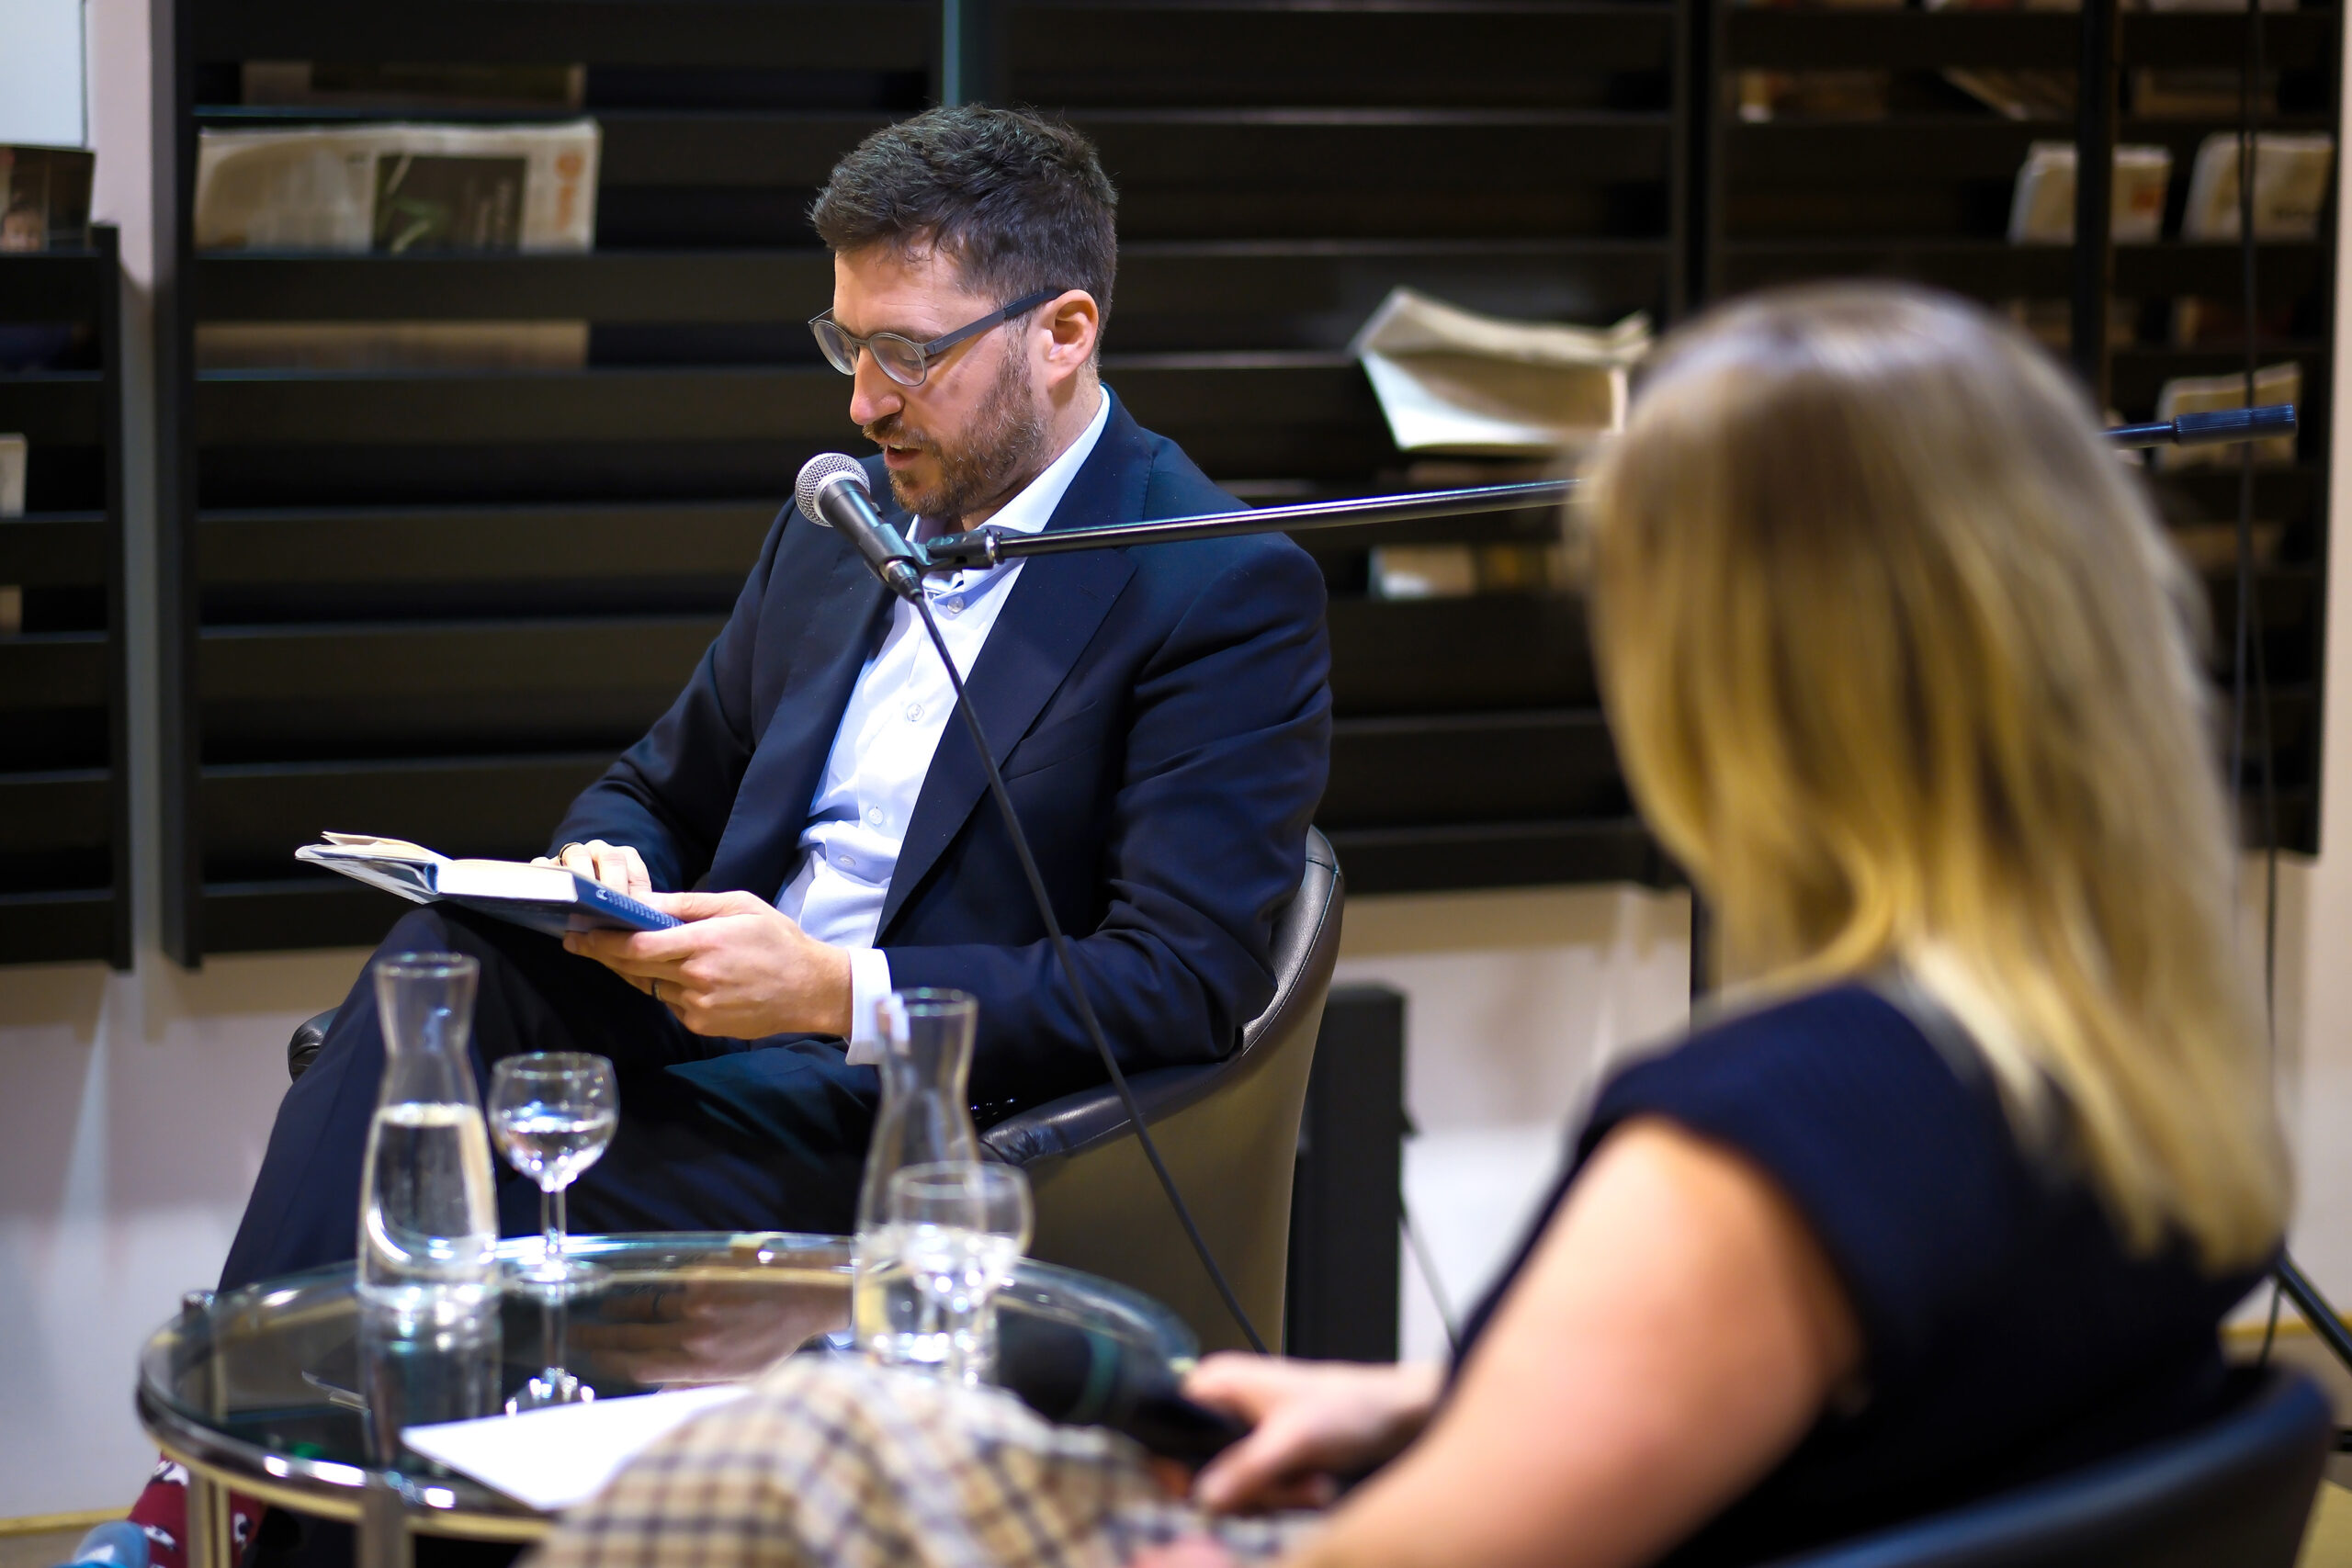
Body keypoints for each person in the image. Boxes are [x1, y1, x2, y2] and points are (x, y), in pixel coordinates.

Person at [527, 282, 2290, 1568]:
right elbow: (1839, 1437)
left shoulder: (1769, 1144)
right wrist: (1432, 1415)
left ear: (1739, 693)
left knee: (788, 1464)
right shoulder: (2132, 1083)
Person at [212, 103, 1331, 1288]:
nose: (864, 403)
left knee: (471, 1166)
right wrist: (607, 866)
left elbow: (1178, 981)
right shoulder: (841, 520)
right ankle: (246, 1401)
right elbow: (658, 788)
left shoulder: (1217, 584)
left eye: (909, 353)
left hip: (912, 1099)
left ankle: (266, 1403)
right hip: (709, 1020)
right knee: (435, 971)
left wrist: (831, 990)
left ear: (1062, 333)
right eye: (848, 345)